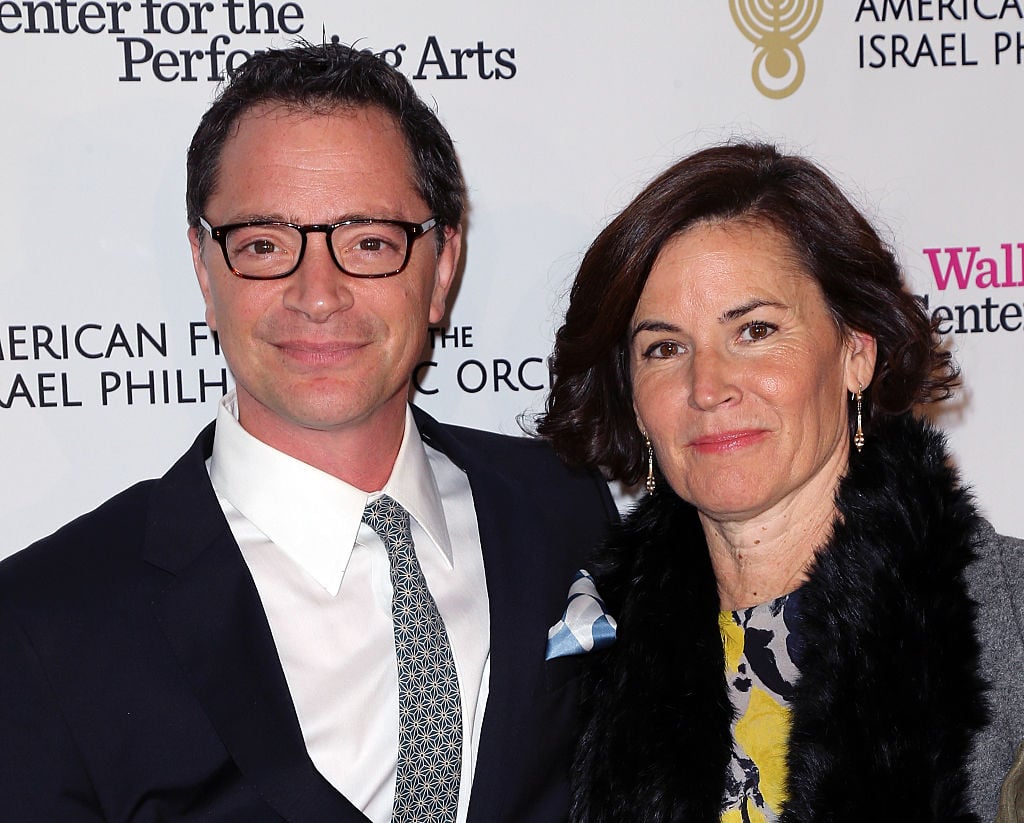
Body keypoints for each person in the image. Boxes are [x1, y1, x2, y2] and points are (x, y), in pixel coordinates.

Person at [0, 43, 615, 822]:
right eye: (263, 243)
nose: (317, 293)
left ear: (443, 264)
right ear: (203, 265)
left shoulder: (560, 508)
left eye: (368, 242)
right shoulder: (46, 623)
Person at [537, 142, 1024, 821]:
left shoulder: (1013, 618)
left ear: (856, 352)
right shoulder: (578, 658)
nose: (707, 387)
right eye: (664, 348)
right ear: (632, 395)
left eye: (756, 330)